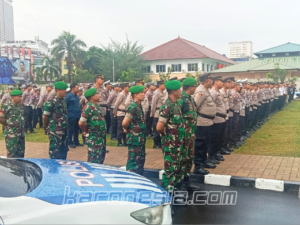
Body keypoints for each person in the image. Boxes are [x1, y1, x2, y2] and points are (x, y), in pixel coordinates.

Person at [156, 80, 186, 194]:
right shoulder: (167, 105)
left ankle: (175, 191)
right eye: (179, 89)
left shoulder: (177, 104)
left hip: (179, 143)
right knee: (170, 169)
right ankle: (167, 194)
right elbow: (159, 126)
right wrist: (166, 136)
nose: (181, 91)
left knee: (177, 167)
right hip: (171, 144)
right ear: (173, 91)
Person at [177, 77, 199, 191]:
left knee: (189, 157)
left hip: (191, 134)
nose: (196, 88)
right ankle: (180, 183)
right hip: (184, 135)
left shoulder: (190, 99)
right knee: (183, 159)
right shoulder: (181, 99)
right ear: (190, 87)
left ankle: (187, 181)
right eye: (195, 86)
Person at [193, 73, 216, 174]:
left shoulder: (205, 90)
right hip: (202, 122)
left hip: (208, 122)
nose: (212, 81)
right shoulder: (200, 91)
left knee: (205, 143)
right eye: (211, 79)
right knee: (200, 145)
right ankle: (198, 166)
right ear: (207, 81)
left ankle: (204, 161)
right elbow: (195, 106)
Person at [122, 85, 146, 175]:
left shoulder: (138, 106)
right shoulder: (132, 107)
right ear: (136, 95)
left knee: (140, 160)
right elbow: (125, 122)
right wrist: (129, 130)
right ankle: (131, 178)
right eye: (142, 93)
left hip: (140, 138)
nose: (144, 95)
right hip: (135, 139)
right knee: (133, 161)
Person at [79, 88, 107, 164]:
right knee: (94, 160)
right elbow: (81, 122)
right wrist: (86, 131)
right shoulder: (88, 108)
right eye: (97, 94)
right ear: (92, 97)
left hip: (100, 138)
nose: (99, 95)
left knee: (100, 159)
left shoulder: (96, 106)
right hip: (94, 138)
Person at [43, 81, 69, 159]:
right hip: (55, 131)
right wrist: (47, 127)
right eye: (64, 90)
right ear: (58, 90)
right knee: (55, 152)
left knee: (63, 151)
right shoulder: (51, 102)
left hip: (64, 130)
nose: (66, 91)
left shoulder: (63, 101)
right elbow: (45, 116)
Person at [0, 90, 25, 158]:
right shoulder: (6, 106)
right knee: (12, 154)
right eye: (19, 97)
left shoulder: (21, 106)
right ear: (13, 97)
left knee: (21, 153)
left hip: (21, 133)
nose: (21, 98)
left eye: (21, 96)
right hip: (11, 134)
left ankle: (20, 168)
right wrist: (9, 125)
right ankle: (11, 168)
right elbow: (1, 118)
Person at [65, 83, 83, 148]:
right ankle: (69, 142)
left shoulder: (76, 96)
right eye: (77, 88)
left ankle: (76, 141)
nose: (78, 89)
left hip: (77, 115)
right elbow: (65, 105)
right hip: (71, 115)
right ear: (72, 88)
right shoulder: (69, 96)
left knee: (77, 129)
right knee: (70, 129)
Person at [151, 80, 165, 149]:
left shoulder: (162, 92)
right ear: (160, 85)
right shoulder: (156, 93)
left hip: (162, 112)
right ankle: (156, 144)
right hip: (157, 112)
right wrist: (152, 113)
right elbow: (153, 103)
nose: (164, 85)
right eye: (163, 84)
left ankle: (159, 143)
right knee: (156, 129)